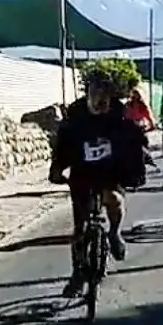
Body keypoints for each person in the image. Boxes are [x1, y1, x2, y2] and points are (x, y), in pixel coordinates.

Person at [49, 73, 147, 298]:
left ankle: (114, 232)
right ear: (88, 95)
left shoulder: (119, 115)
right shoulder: (75, 115)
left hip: (110, 172)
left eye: (105, 97)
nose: (100, 101)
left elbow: (133, 142)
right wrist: (56, 169)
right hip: (82, 172)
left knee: (114, 199)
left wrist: (136, 172)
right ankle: (77, 275)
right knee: (80, 229)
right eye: (95, 95)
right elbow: (63, 143)